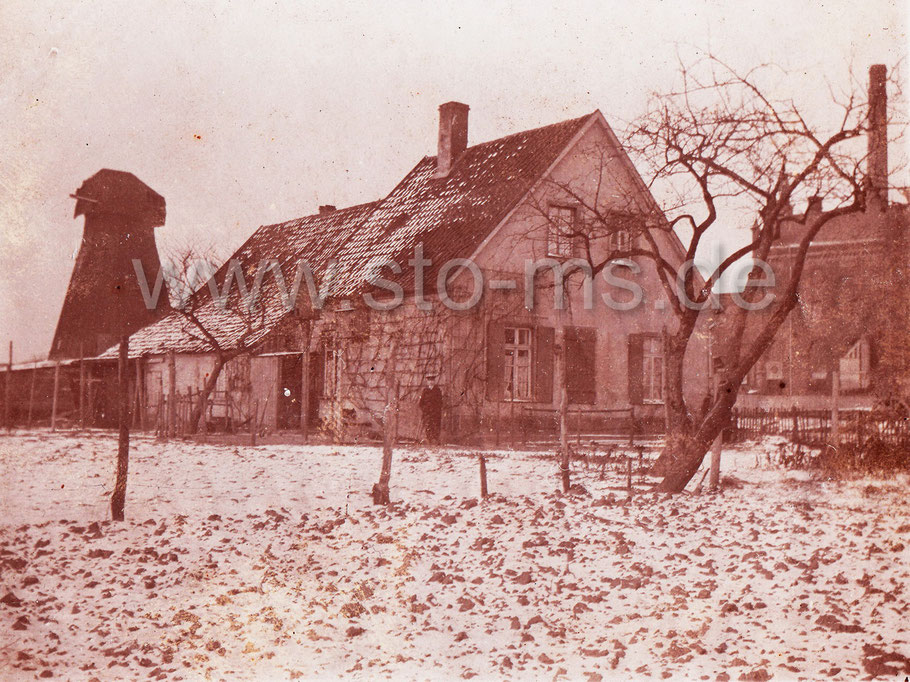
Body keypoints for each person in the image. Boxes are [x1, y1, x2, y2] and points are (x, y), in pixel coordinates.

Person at [418, 375, 443, 445]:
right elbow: (421, 403)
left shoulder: (437, 390)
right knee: (428, 426)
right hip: (427, 413)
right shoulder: (425, 391)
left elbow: (440, 402)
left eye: (432, 380)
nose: (431, 382)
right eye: (429, 381)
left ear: (434, 382)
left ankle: (436, 440)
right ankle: (429, 439)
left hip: (436, 413)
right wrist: (425, 409)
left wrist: (437, 410)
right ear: (427, 382)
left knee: (436, 426)